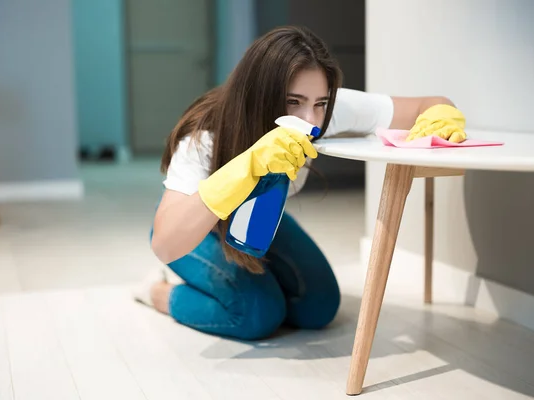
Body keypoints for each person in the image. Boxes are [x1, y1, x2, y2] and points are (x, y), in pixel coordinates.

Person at [134, 26, 466, 340]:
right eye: (293, 101)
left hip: (261, 221)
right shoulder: (205, 136)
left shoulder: (325, 110)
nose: (310, 119)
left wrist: (442, 115)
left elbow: (429, 103)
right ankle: (157, 292)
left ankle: (257, 291)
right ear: (258, 96)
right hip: (197, 228)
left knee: (319, 307)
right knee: (256, 315)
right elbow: (166, 243)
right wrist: (246, 167)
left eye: (320, 103)